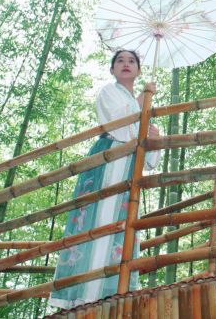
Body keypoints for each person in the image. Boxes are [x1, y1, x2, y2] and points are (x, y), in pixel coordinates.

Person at [50, 50, 159, 309]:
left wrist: (153, 135)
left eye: (131, 61)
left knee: (121, 224)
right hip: (107, 161)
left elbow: (150, 159)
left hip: (129, 168)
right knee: (96, 219)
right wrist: (142, 104)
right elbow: (118, 124)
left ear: (139, 70)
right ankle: (82, 295)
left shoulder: (141, 104)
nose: (126, 64)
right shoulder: (109, 92)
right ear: (112, 70)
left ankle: (110, 295)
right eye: (120, 61)